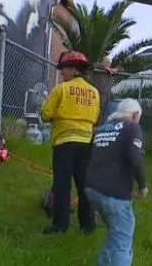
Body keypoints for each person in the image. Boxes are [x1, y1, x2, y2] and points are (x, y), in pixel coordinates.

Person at [40, 51, 100, 235]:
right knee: (84, 186)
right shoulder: (94, 92)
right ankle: (87, 226)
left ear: (74, 69)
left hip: (65, 143)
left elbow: (45, 114)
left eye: (63, 69)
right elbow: (96, 118)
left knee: (62, 185)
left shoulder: (61, 89)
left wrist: (61, 115)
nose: (61, 73)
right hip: (86, 144)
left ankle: (60, 225)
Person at [85, 98, 148, 266]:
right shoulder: (132, 127)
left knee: (115, 233)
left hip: (91, 188)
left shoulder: (102, 129)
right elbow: (135, 158)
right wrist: (142, 185)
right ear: (135, 114)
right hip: (114, 193)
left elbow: (89, 155)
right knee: (122, 242)